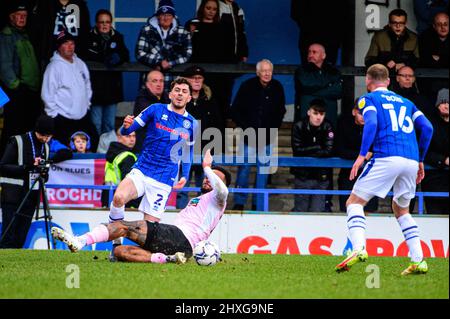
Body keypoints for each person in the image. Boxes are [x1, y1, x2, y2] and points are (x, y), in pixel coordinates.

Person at [334, 64, 434, 276]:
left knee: (354, 202)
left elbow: (371, 123)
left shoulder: (368, 99)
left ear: (368, 82)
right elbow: (427, 128)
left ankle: (359, 248)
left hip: (386, 155)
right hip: (410, 160)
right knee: (402, 210)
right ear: (389, 81)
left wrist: (362, 155)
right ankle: (418, 260)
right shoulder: (407, 102)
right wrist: (421, 159)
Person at [51, 149, 231, 264]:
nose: (208, 179)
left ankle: (80, 241)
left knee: (124, 227)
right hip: (183, 248)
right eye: (208, 176)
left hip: (179, 237)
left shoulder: (218, 198)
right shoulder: (203, 200)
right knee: (121, 252)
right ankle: (167, 259)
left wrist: (207, 167)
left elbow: (222, 190)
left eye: (215, 178)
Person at [107, 77, 197, 226]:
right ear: (170, 94)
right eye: (177, 90)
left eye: (184, 91)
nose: (180, 94)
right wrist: (125, 126)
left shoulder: (193, 123)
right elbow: (127, 130)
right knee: (118, 198)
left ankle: (128, 243)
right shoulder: (155, 109)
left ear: (189, 97)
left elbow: (188, 151)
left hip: (164, 177)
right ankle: (115, 240)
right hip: (143, 168)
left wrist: (185, 175)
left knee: (148, 228)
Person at [230, 59, 286, 210]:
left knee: (263, 169)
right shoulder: (247, 86)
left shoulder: (277, 87)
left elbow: (281, 111)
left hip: (268, 137)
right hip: (248, 136)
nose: (267, 73)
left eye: (269, 71)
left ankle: (258, 202)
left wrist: (274, 128)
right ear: (258, 72)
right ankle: (239, 202)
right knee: (244, 168)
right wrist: (246, 127)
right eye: (264, 70)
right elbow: (235, 110)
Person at [0, 114, 54, 248]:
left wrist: (43, 173)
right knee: (9, 233)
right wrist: (27, 167)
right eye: (43, 135)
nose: (45, 139)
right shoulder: (17, 141)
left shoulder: (46, 147)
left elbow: (44, 175)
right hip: (12, 193)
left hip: (31, 195)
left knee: (22, 233)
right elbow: (3, 166)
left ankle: (18, 257)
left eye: (49, 136)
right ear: (36, 131)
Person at [41, 30, 99, 150]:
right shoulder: (54, 67)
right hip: (62, 119)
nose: (70, 47)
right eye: (66, 43)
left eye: (72, 43)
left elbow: (87, 86)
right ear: (59, 46)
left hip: (82, 117)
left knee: (91, 143)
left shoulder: (80, 63)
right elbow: (47, 94)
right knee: (64, 150)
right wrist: (54, 115)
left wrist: (86, 105)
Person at [176, 65, 224, 208]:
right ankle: (180, 216)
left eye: (200, 78)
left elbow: (218, 126)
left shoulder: (210, 100)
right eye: (193, 78)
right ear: (186, 80)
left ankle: (200, 213)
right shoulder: (180, 101)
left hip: (205, 151)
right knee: (182, 188)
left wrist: (213, 149)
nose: (197, 81)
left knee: (203, 188)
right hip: (184, 150)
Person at [0, 2, 41, 156]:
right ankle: (5, 160)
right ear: (11, 17)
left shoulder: (25, 34)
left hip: (29, 91)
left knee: (26, 127)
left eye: (25, 16)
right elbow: (4, 65)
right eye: (19, 15)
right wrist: (16, 86)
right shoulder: (6, 36)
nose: (22, 18)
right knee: (12, 128)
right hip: (16, 92)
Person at [85, 9, 130, 136]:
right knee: (96, 123)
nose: (104, 25)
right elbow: (84, 55)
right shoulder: (88, 37)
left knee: (109, 124)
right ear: (96, 23)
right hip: (95, 89)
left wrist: (118, 58)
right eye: (101, 22)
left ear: (111, 23)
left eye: (107, 22)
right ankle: (95, 151)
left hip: (112, 89)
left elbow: (126, 55)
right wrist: (101, 58)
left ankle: (106, 153)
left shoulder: (118, 37)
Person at [135, 0, 192, 91]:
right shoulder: (147, 30)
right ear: (157, 16)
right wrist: (159, 62)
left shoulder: (183, 32)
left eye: (169, 15)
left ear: (173, 16)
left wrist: (170, 63)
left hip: (174, 80)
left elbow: (188, 53)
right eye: (162, 15)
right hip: (152, 81)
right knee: (150, 105)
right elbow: (140, 53)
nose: (166, 18)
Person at [291, 99, 334, 212]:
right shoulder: (299, 126)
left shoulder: (328, 126)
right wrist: (317, 148)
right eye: (315, 113)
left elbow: (329, 151)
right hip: (302, 175)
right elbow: (297, 150)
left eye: (321, 114)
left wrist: (309, 150)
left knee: (317, 212)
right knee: (301, 211)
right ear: (309, 112)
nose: (318, 117)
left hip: (321, 176)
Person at [336, 101, 378, 213]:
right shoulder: (344, 124)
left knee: (369, 212)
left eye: (367, 114)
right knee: (348, 210)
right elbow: (339, 150)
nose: (364, 117)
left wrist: (372, 153)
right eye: (361, 113)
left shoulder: (375, 126)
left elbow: (379, 149)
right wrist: (362, 155)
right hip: (348, 175)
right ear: (354, 112)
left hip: (369, 176)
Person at [27, 0, 91, 70]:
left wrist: (81, 55)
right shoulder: (44, 5)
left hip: (75, 59)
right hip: (49, 58)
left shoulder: (81, 6)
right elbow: (37, 32)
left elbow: (85, 33)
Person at [293, 43, 343, 127]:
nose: (310, 55)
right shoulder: (301, 71)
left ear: (323, 56)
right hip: (307, 119)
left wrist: (311, 92)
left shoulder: (333, 71)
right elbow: (305, 85)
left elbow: (339, 91)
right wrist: (329, 85)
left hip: (328, 118)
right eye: (309, 52)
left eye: (314, 52)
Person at [365, 9, 419, 75]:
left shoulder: (413, 38)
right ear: (389, 23)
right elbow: (369, 61)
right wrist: (385, 63)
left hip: (404, 79)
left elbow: (419, 60)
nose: (398, 26)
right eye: (394, 23)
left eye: (401, 23)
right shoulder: (379, 37)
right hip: (384, 77)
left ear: (405, 23)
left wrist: (405, 64)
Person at [422, 88, 449, 214]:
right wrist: (443, 160)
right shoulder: (429, 124)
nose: (447, 105)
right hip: (434, 181)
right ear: (438, 105)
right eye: (443, 102)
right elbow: (423, 150)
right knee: (435, 221)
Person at [132, 70, 170, 154]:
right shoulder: (142, 98)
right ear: (147, 84)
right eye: (154, 81)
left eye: (161, 81)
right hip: (144, 145)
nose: (159, 84)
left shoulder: (167, 97)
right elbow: (156, 118)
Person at [101, 129, 140, 209]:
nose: (132, 139)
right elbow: (130, 185)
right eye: (128, 136)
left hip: (109, 200)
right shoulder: (128, 157)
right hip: (124, 204)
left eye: (134, 136)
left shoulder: (112, 154)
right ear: (118, 138)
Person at [418, 12, 449, 103]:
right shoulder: (425, 37)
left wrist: (440, 58)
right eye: (439, 24)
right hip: (430, 83)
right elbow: (426, 60)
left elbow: (435, 61)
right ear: (434, 26)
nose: (443, 27)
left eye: (446, 24)